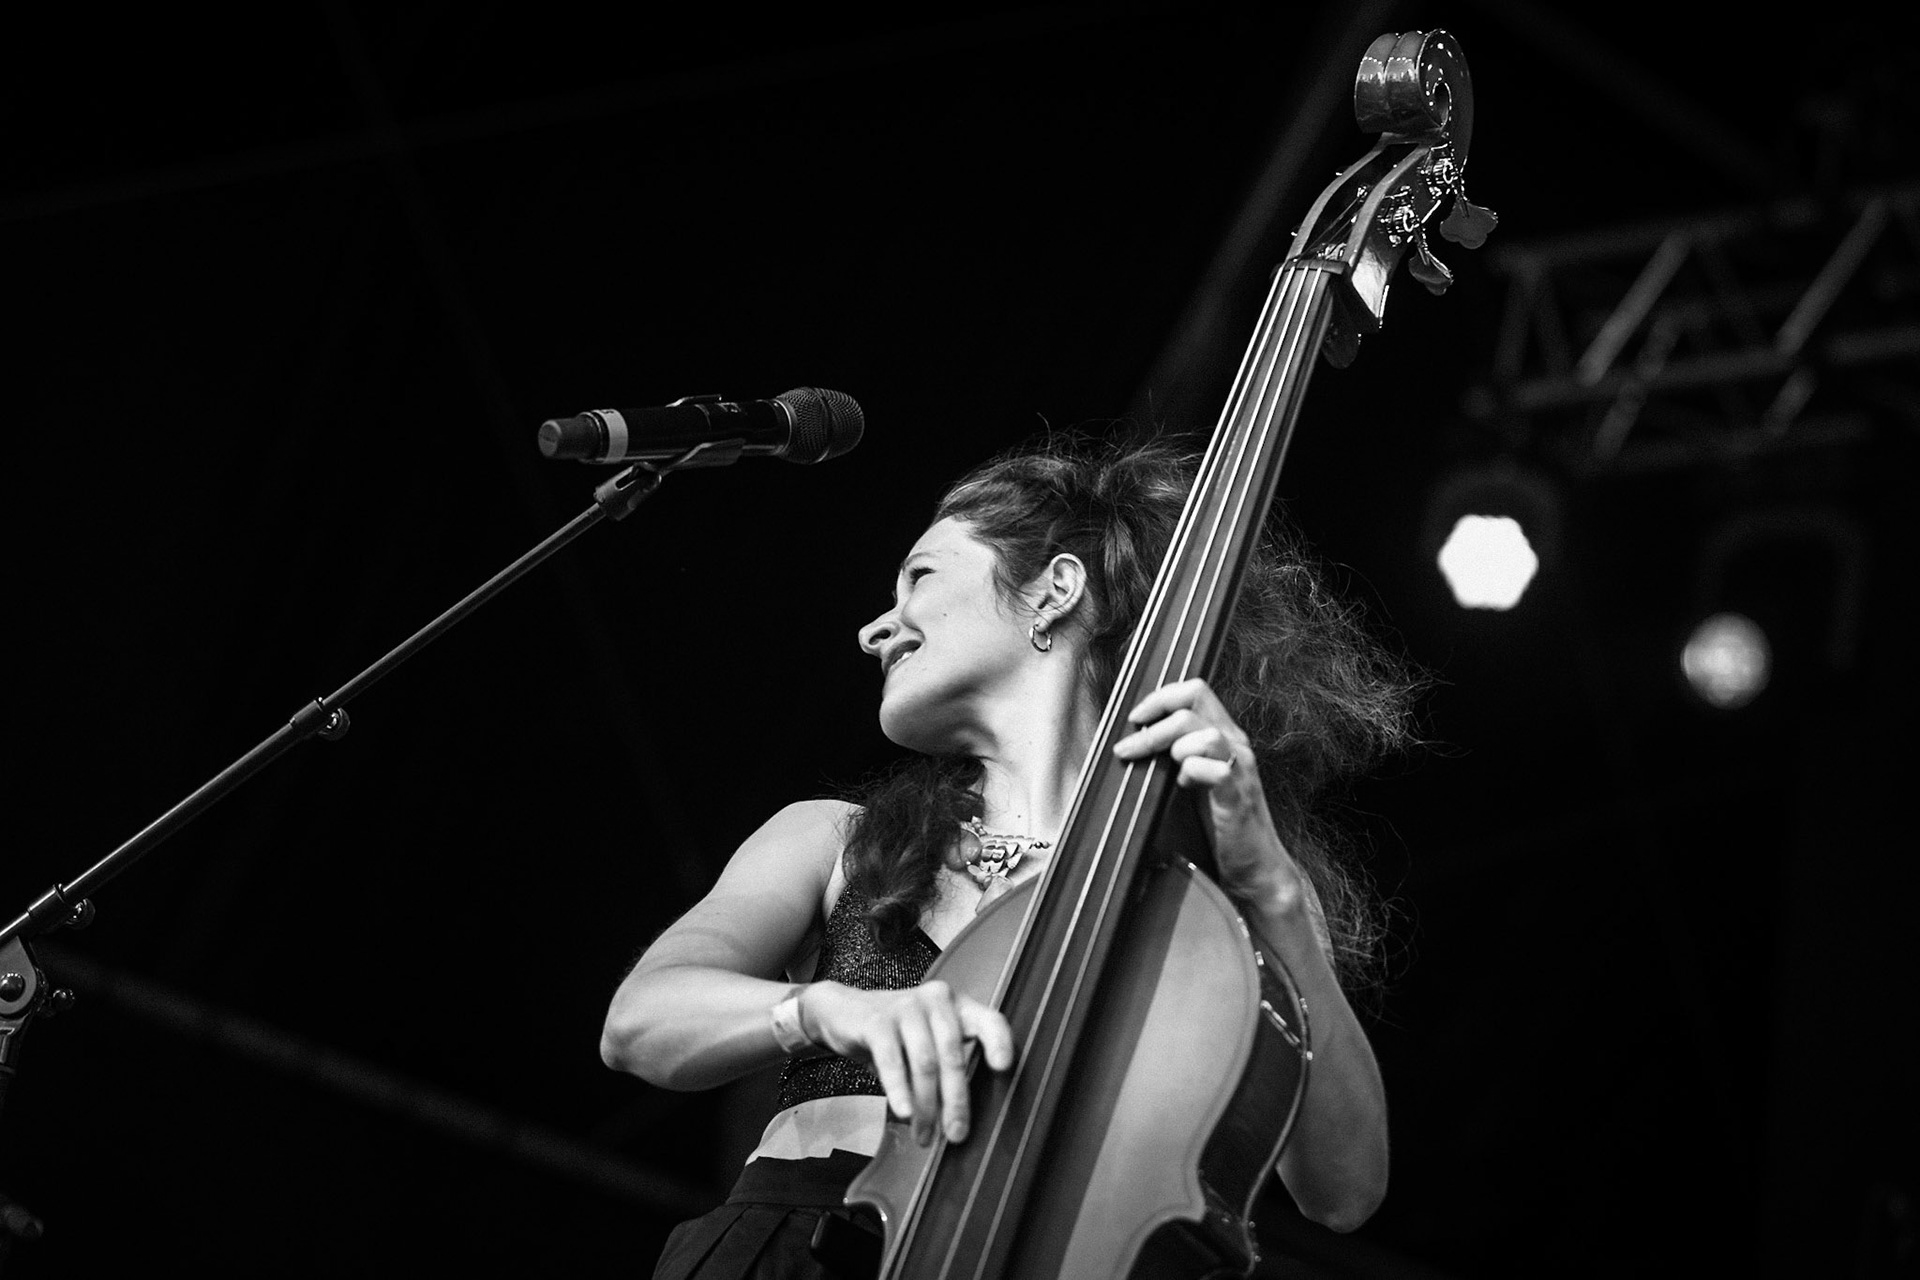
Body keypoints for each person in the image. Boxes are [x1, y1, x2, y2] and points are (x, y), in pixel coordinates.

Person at [601, 430, 1420, 1278]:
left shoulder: (1211, 905)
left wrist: (1271, 892)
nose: (876, 628)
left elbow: (1342, 1189)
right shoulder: (835, 838)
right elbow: (640, 1024)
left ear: (1056, 589)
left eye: (920, 576)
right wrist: (829, 1009)